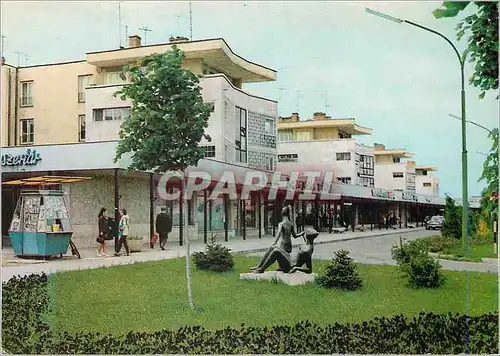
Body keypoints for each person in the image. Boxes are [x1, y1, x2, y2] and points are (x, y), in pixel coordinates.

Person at [250, 205, 305, 272]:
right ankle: (259, 266)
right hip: (288, 248)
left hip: (284, 249)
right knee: (272, 248)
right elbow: (295, 236)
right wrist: (301, 234)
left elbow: (278, 233)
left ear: (282, 213)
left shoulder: (281, 224)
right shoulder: (290, 224)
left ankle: (261, 269)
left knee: (275, 250)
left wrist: (275, 241)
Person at [252, 227, 319, 274]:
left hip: (290, 266)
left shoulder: (308, 250)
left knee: (276, 251)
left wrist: (296, 268)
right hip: (290, 259)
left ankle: (261, 270)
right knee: (273, 247)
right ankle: (259, 266)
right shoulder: (305, 245)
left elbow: (309, 270)